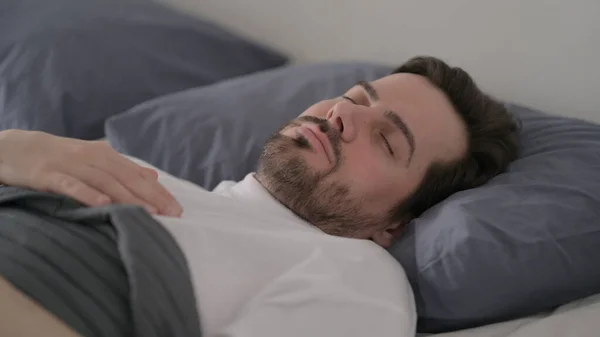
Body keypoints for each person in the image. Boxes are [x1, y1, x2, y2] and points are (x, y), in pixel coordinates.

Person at [0, 56, 520, 336]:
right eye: (354, 98)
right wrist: (12, 150)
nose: (342, 115)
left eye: (386, 140)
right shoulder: (132, 170)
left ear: (393, 226)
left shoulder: (360, 279)